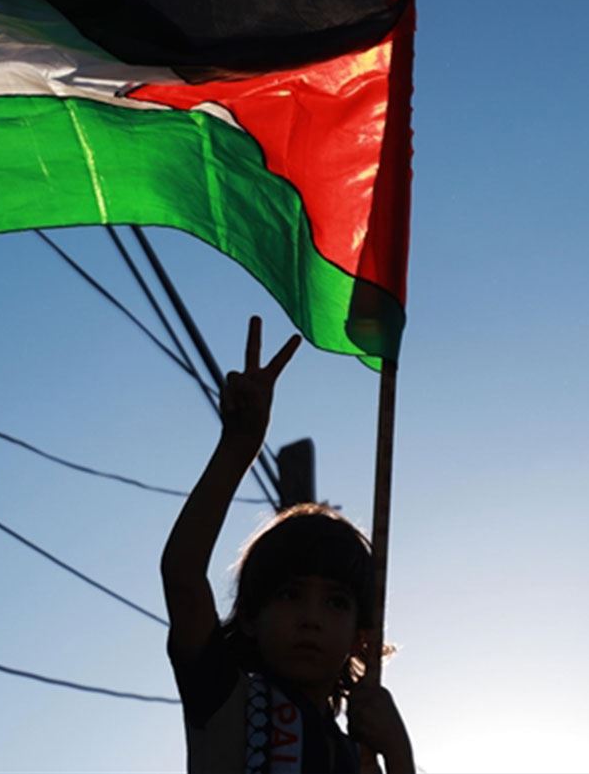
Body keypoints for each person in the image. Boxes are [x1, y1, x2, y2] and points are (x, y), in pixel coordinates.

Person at [161, 316, 413, 774]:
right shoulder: (225, 695)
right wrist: (238, 445)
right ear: (250, 617)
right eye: (290, 594)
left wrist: (398, 754)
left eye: (336, 602)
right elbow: (182, 575)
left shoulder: (360, 758)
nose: (310, 618)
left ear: (361, 636)